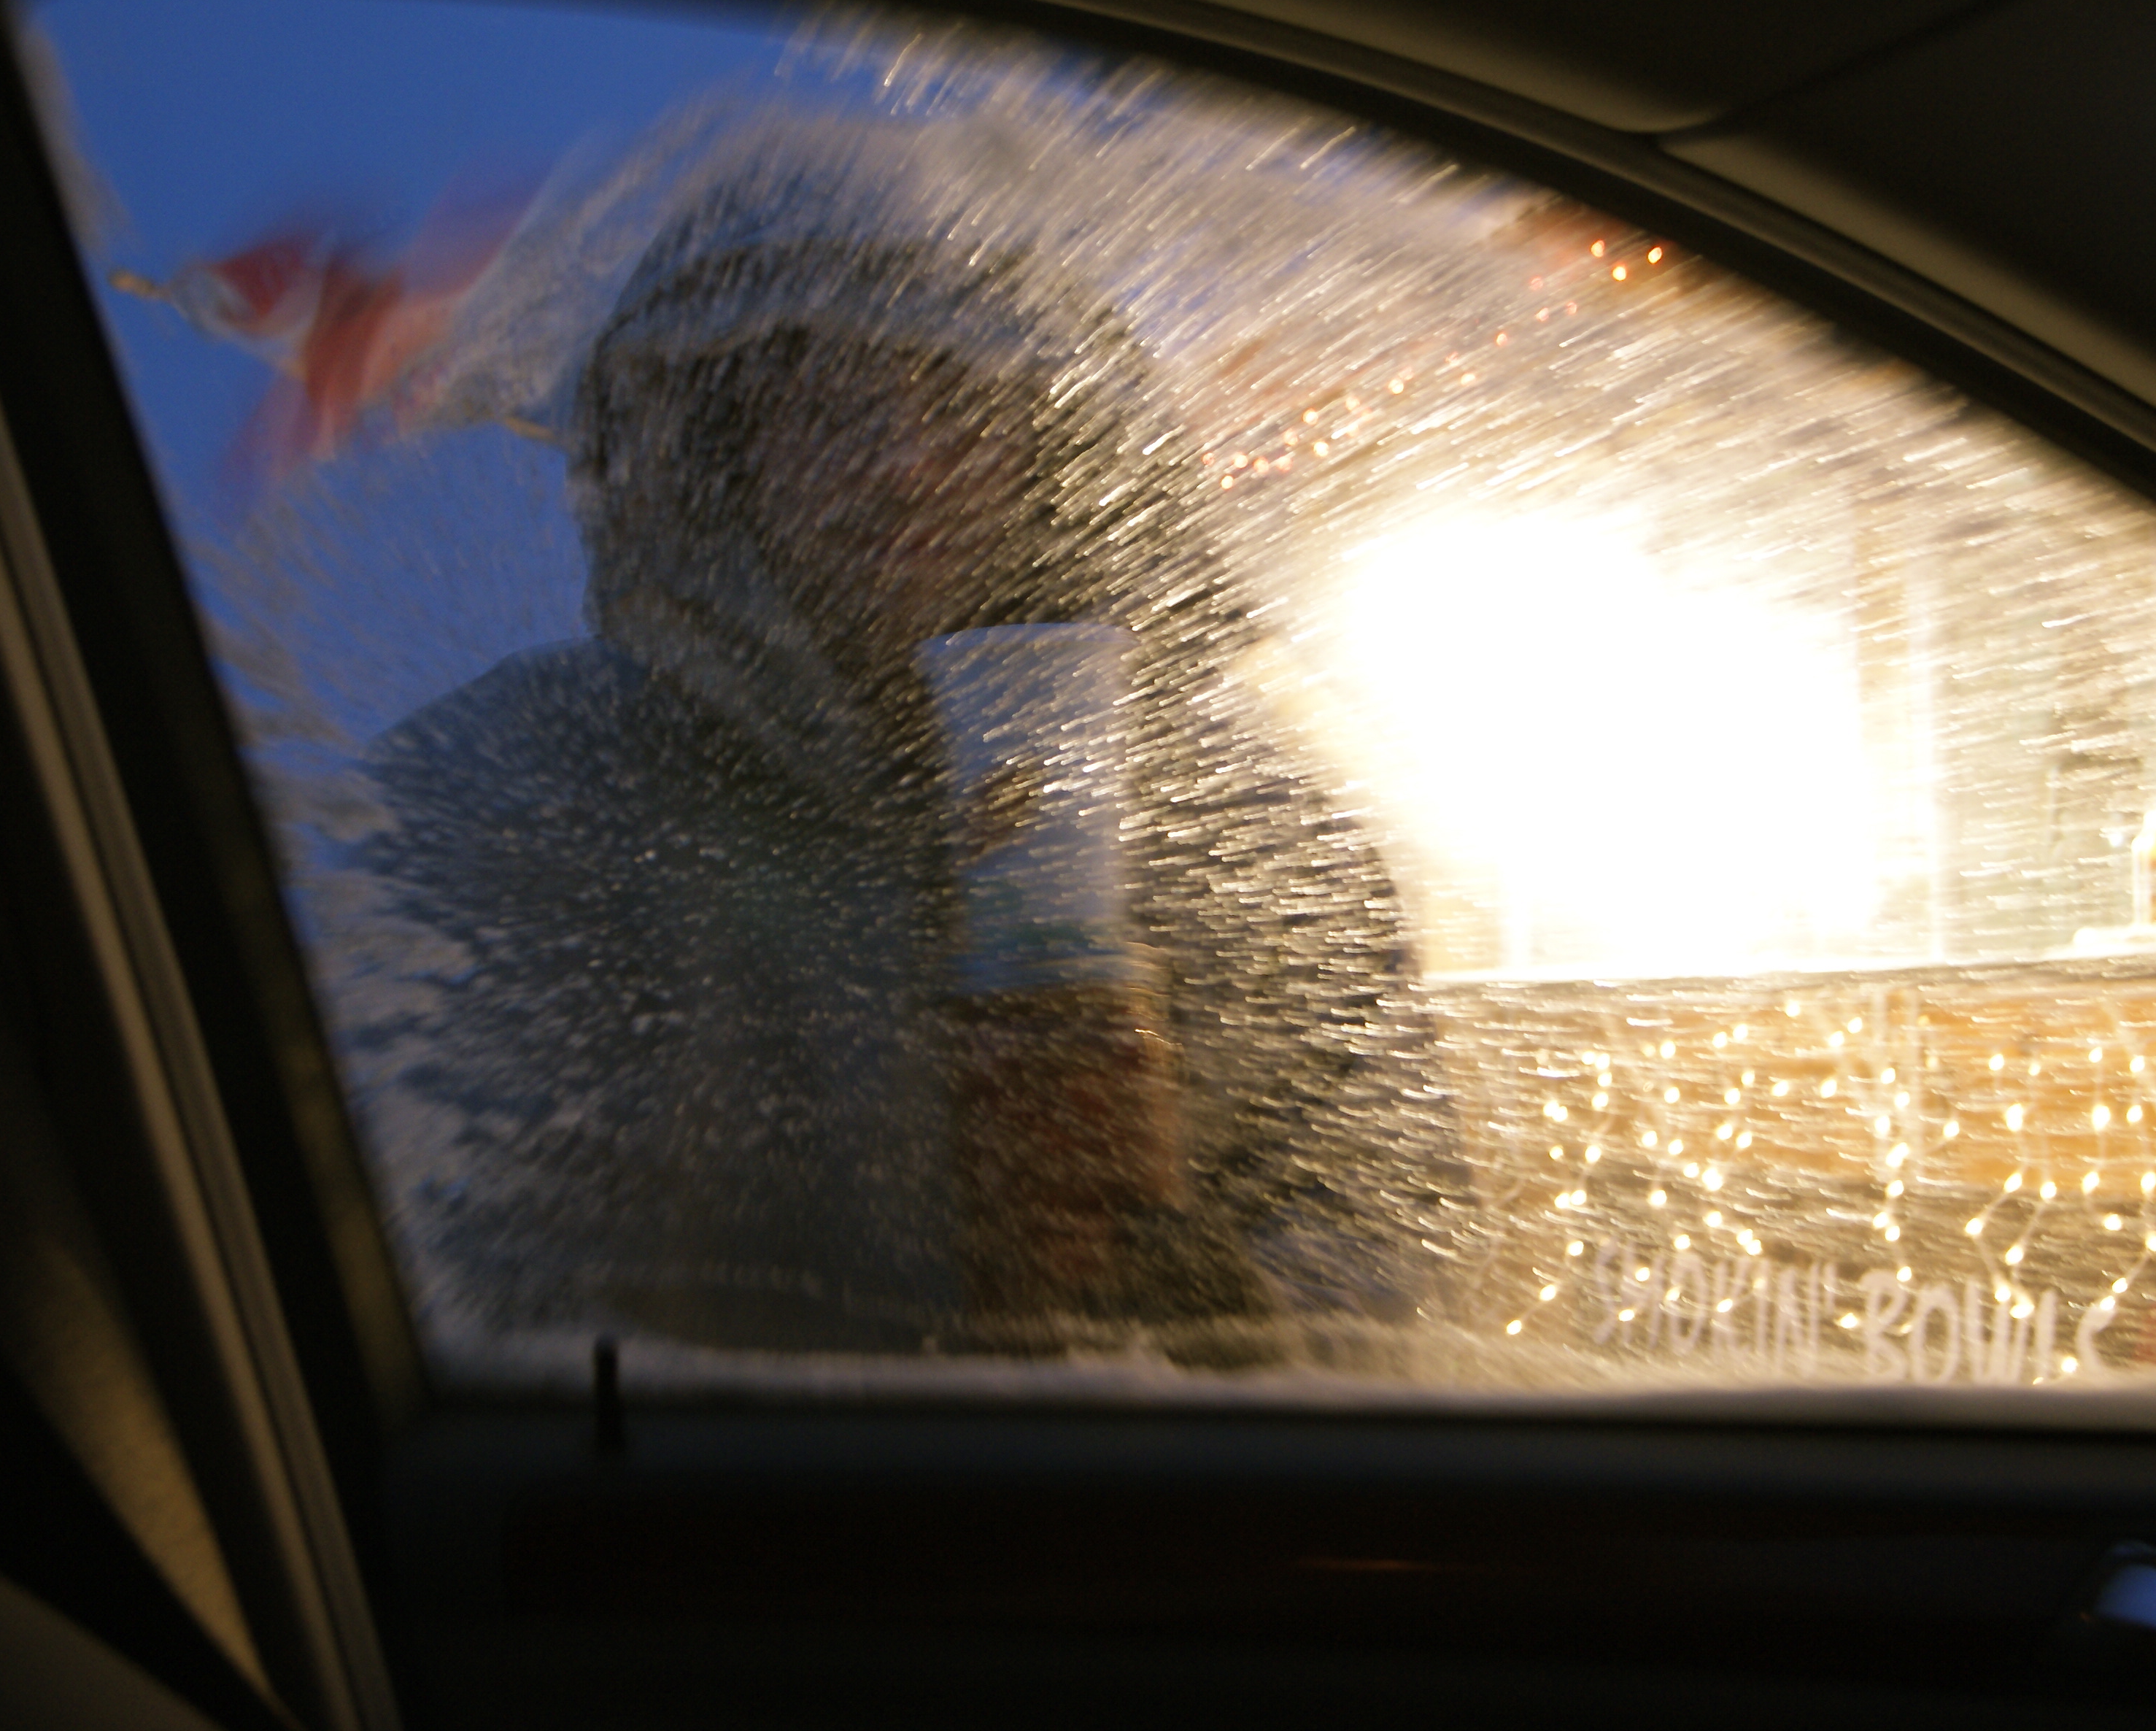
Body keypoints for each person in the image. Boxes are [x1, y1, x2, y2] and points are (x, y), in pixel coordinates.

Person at [358, 118, 1459, 1361]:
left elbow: (1391, 1235)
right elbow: (421, 1262)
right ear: (715, 449)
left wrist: (1181, 1295)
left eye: (952, 399)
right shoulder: (525, 786)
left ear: (1047, 443)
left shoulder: (1243, 835)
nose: (899, 463)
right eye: (829, 406)